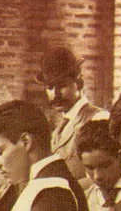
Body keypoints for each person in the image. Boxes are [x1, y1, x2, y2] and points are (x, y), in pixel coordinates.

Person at [36, 46, 108, 183]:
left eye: (62, 86)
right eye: (50, 88)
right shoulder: (60, 127)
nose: (55, 94)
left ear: (79, 84)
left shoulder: (98, 119)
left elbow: (102, 177)